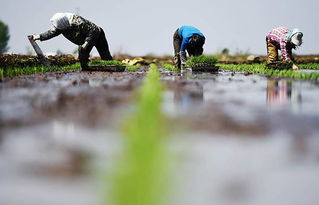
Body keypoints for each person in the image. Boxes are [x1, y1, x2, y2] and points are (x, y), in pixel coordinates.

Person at [31, 12, 113, 70]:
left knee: (105, 56)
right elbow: (51, 33)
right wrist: (38, 37)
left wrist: (87, 43)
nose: (58, 30)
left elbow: (94, 30)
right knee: (83, 60)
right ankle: (87, 70)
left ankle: (112, 68)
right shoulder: (61, 26)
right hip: (85, 40)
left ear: (65, 24)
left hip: (97, 34)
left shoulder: (77, 22)